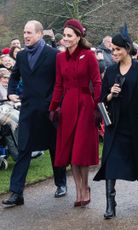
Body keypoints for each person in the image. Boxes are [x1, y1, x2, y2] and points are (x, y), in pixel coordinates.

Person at [93, 28, 138, 219]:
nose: (114, 52)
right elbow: (101, 100)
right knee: (110, 161)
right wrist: (111, 94)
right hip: (116, 124)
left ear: (127, 49)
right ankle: (110, 203)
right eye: (112, 49)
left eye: (117, 49)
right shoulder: (110, 71)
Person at [2, 20, 67, 208]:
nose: (25, 36)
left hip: (50, 110)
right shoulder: (21, 56)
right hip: (28, 110)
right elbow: (14, 77)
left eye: (29, 32)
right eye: (24, 32)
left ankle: (61, 183)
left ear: (39, 34)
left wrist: (54, 102)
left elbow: (60, 82)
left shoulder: (53, 55)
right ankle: (16, 193)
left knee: (55, 148)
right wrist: (11, 92)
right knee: (23, 149)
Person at [49, 19, 101, 207]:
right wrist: (53, 107)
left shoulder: (88, 56)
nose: (66, 39)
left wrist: (96, 106)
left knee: (81, 149)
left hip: (85, 105)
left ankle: (85, 187)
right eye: (64, 36)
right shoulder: (59, 58)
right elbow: (58, 84)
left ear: (79, 37)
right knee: (71, 150)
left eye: (70, 36)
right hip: (68, 105)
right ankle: (78, 189)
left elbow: (97, 82)